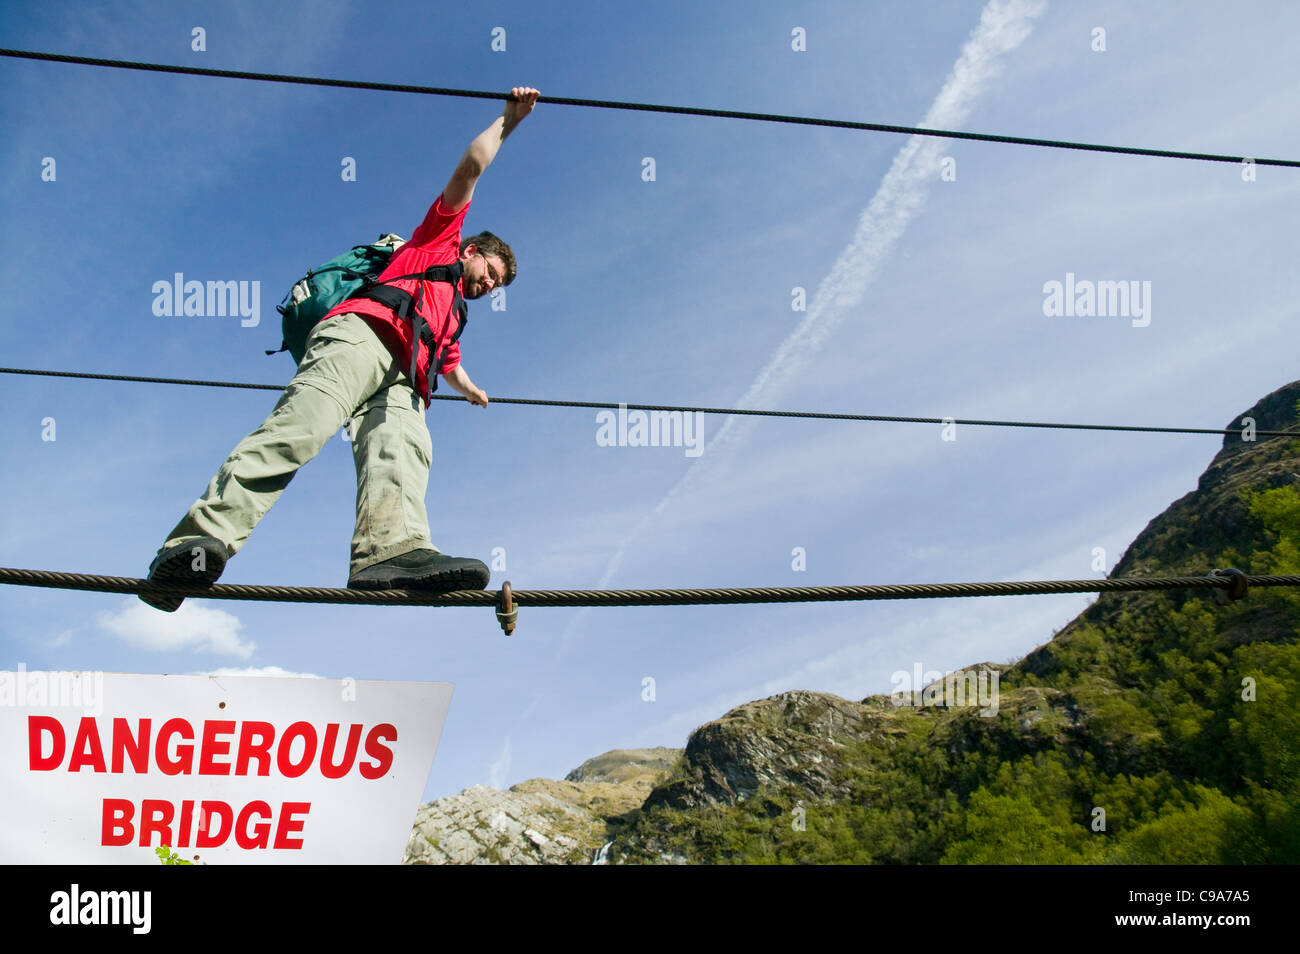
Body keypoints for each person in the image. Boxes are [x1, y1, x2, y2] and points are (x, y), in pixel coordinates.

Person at [139, 87, 541, 612]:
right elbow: (471, 167)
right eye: (490, 273)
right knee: (298, 430)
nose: (489, 285)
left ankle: (389, 551)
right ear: (470, 251)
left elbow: (450, 365)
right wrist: (508, 122)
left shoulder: (452, 315)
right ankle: (194, 544)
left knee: (404, 457)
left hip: (406, 384)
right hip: (362, 336)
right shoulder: (436, 242)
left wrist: (471, 390)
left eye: (497, 286)